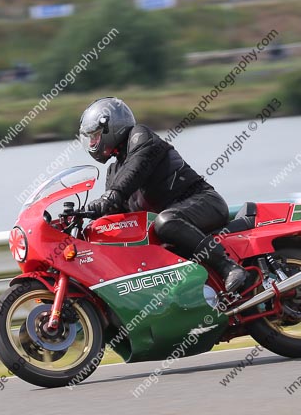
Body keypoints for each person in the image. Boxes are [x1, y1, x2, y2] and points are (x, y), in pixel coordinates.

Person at [79, 97, 248, 292]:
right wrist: (90, 219)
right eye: (91, 138)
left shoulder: (141, 136)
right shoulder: (113, 172)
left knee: (166, 221)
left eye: (96, 135)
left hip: (204, 202)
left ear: (112, 127)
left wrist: (113, 194)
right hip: (173, 225)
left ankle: (228, 267)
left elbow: (136, 166)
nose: (93, 142)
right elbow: (115, 212)